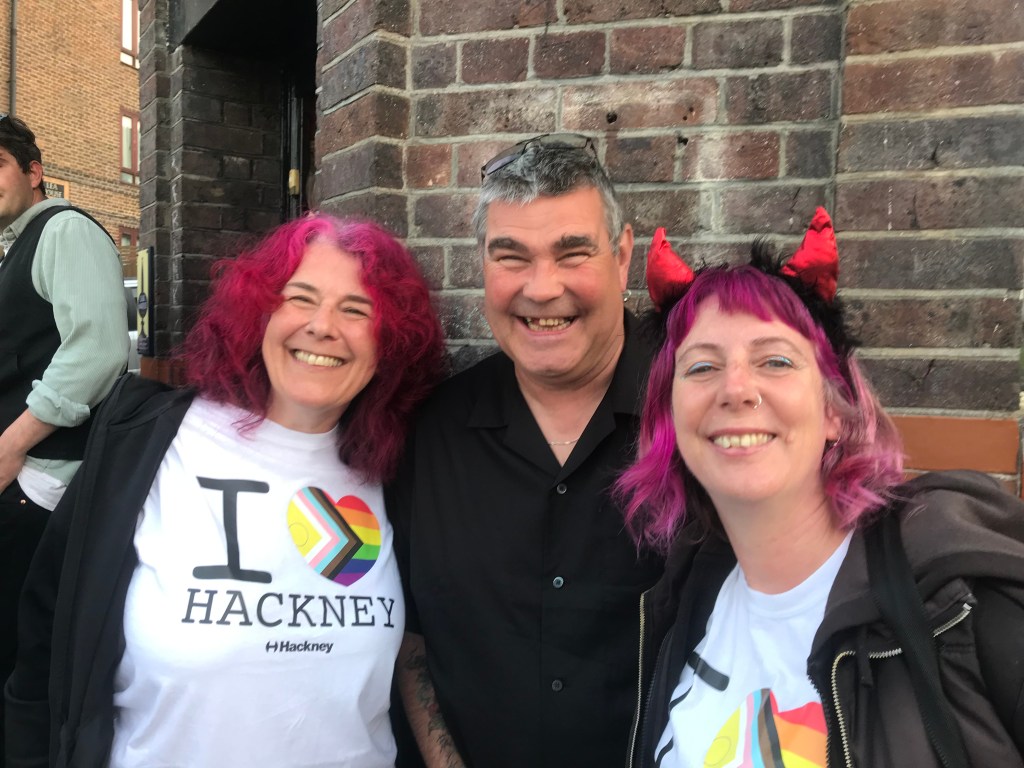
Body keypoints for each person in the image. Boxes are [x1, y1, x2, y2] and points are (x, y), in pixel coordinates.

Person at [5, 214, 446, 768]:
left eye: (356, 310)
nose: (322, 326)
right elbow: (44, 649)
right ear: (259, 312)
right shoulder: (144, 445)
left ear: (389, 340)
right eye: (299, 298)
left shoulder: (400, 469)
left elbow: (421, 652)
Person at [619, 209, 1024, 767]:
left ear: (836, 408)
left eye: (775, 360)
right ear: (670, 415)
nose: (736, 388)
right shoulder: (685, 597)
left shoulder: (959, 594)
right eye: (702, 368)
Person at [390, 134, 663, 768]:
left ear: (623, 256)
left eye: (572, 253)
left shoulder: (695, 419)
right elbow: (411, 636)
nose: (541, 289)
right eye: (511, 256)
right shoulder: (429, 433)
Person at [0, 114, 128, 760]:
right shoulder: (16, 246)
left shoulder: (64, 230)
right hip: (23, 479)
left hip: (41, 483)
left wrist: (12, 446)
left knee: (25, 660)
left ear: (34, 171)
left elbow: (98, 350)